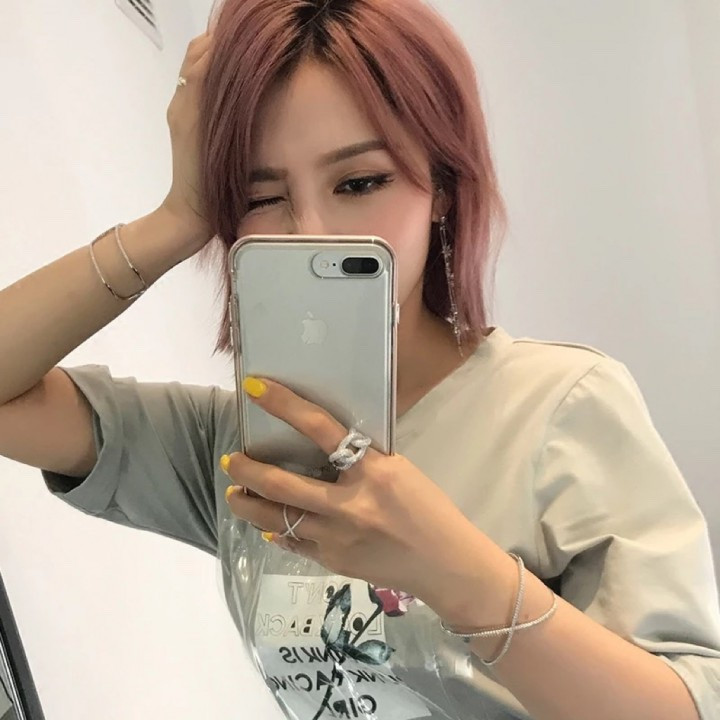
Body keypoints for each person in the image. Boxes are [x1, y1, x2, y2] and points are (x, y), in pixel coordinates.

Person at [0, 1, 718, 718]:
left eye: (359, 183)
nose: (310, 232)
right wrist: (177, 218)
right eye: (261, 196)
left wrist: (456, 573)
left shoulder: (561, 407)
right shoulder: (239, 450)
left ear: (441, 187)